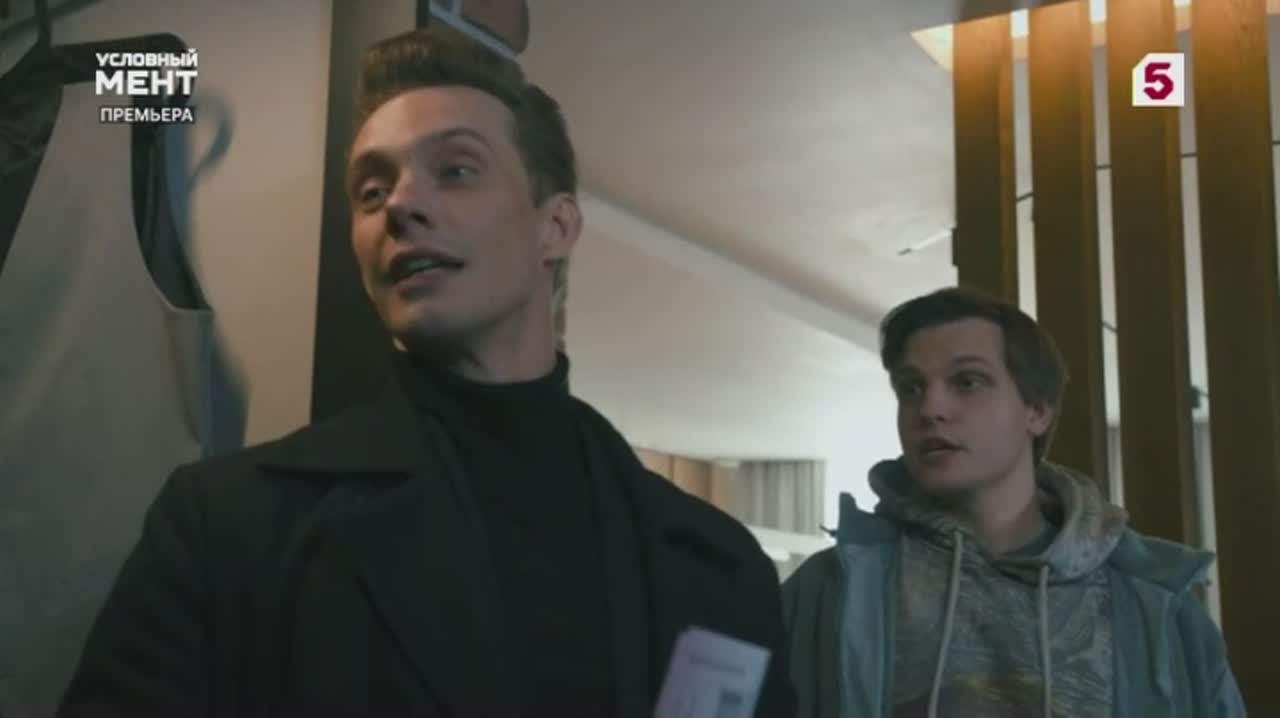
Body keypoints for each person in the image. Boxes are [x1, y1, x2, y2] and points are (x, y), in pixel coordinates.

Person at [58, 28, 795, 718]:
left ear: (555, 227)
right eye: (371, 192)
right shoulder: (228, 527)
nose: (402, 205)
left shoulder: (722, 568)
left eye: (456, 171)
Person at [781, 287, 1244, 717]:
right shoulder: (830, 592)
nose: (930, 409)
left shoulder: (1156, 608)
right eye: (911, 388)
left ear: (1036, 411)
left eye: (967, 382)